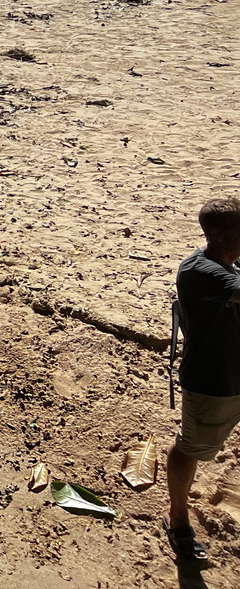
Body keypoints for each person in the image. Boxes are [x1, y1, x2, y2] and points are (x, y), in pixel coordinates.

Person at [166, 198, 240, 565]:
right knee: (192, 449)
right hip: (214, 383)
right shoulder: (201, 271)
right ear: (216, 234)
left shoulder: (233, 261)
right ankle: (177, 516)